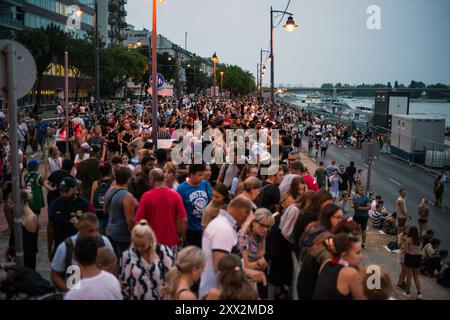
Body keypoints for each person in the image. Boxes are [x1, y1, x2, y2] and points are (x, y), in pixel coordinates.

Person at [199, 197, 265, 298]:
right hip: (217, 291)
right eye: (248, 216)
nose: (246, 220)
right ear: (243, 212)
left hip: (214, 288)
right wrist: (249, 273)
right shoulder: (224, 229)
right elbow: (220, 266)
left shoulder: (220, 223)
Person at [51, 212, 114, 292]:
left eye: (97, 230)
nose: (95, 234)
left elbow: (113, 266)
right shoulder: (66, 247)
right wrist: (71, 291)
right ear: (80, 229)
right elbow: (55, 275)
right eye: (90, 231)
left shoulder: (104, 242)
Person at [135, 168, 187, 251]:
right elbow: (183, 219)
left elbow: (138, 221)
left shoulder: (146, 196)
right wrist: (181, 236)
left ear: (152, 180)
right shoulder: (175, 195)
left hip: (152, 243)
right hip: (172, 241)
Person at [120, 220, 174, 300]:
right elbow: (125, 283)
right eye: (136, 245)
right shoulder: (127, 255)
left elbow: (172, 276)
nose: (139, 249)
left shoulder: (162, 251)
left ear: (150, 240)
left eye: (142, 246)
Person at [47, 176, 95, 261]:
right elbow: (50, 226)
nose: (63, 194)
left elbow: (93, 226)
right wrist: (49, 248)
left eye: (66, 191)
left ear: (74, 189)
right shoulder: (55, 204)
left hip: (79, 249)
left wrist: (80, 225)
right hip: (59, 247)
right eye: (61, 191)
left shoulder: (85, 205)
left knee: (75, 273)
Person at [313, 233, 366, 300]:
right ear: (344, 255)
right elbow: (361, 298)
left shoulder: (326, 263)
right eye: (357, 253)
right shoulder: (350, 273)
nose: (361, 256)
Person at [238, 208, 274, 299]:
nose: (265, 229)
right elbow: (246, 265)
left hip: (256, 275)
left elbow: (262, 255)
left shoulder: (262, 234)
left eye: (268, 226)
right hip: (242, 276)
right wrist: (259, 263)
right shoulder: (243, 236)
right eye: (262, 225)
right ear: (254, 222)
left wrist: (262, 262)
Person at [104, 166, 138, 259]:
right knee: (125, 261)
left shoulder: (110, 191)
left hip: (111, 231)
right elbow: (130, 220)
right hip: (123, 236)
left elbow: (105, 211)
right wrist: (135, 236)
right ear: (128, 179)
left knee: (116, 260)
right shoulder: (127, 196)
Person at [177, 164, 212, 248]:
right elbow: (179, 212)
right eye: (199, 175)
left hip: (205, 227)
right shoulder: (181, 189)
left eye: (202, 175)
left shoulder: (205, 184)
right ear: (191, 175)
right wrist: (182, 232)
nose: (202, 177)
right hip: (191, 229)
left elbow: (210, 202)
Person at [6, 190, 39, 270]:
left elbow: (30, 245)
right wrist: (9, 249)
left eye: (11, 203)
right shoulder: (18, 213)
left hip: (26, 258)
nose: (9, 205)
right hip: (15, 253)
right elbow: (14, 235)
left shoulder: (30, 219)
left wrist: (18, 261)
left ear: (21, 202)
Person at [90, 162, 114, 234]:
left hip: (99, 213)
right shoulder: (114, 183)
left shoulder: (95, 183)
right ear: (110, 171)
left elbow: (91, 201)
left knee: (100, 235)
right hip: (110, 212)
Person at [403, 226, 422, 299]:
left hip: (410, 257)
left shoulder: (408, 239)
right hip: (418, 258)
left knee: (409, 276)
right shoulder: (419, 240)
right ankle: (419, 293)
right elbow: (420, 249)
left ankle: (407, 292)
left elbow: (406, 251)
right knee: (416, 277)